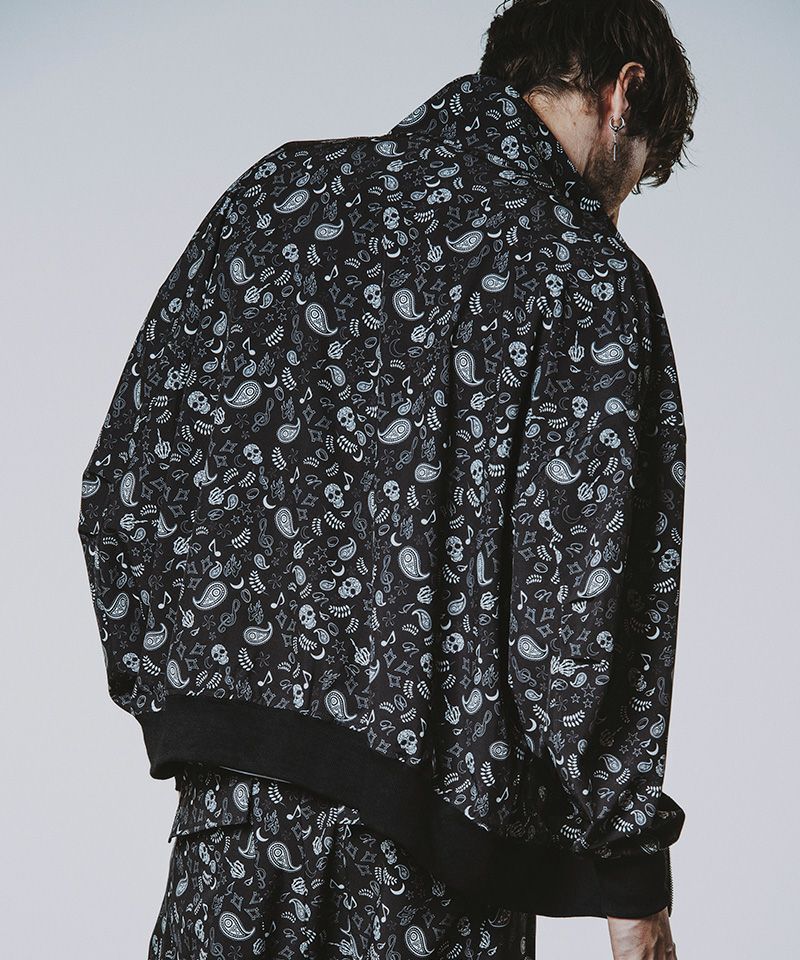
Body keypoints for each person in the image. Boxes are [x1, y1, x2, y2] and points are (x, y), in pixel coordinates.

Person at [76, 1, 698, 957]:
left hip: (224, 851)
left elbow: (126, 486)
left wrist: (207, 723)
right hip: (429, 886)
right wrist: (631, 885)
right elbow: (578, 614)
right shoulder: (585, 272)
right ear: (626, 94)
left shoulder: (280, 197)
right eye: (635, 178)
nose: (616, 210)